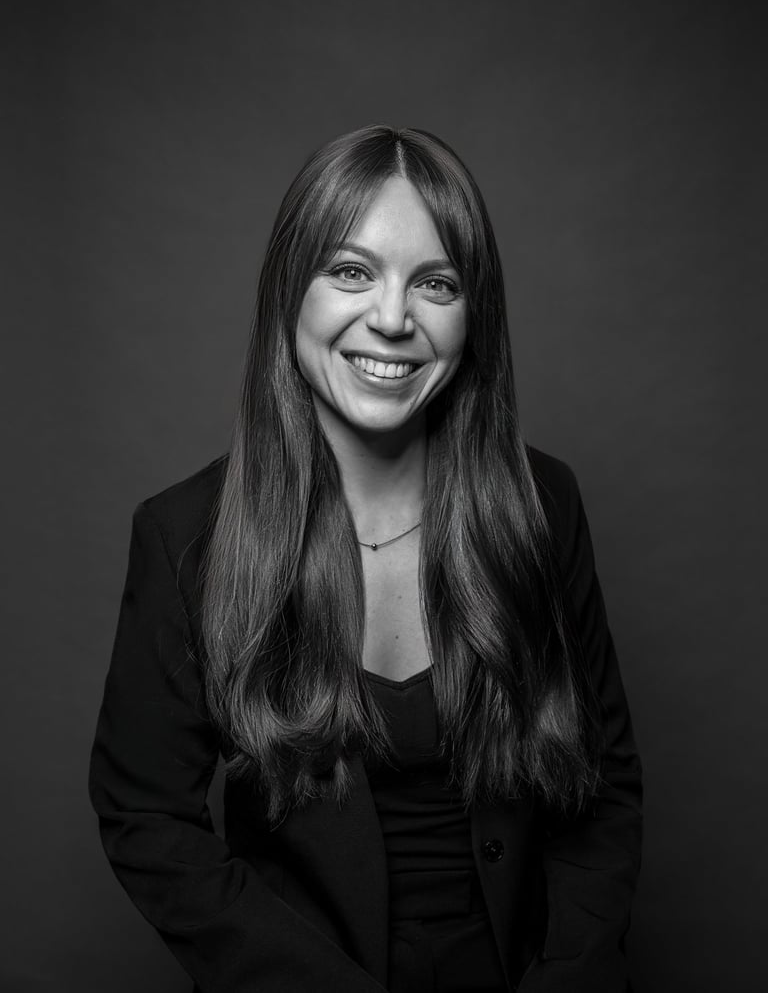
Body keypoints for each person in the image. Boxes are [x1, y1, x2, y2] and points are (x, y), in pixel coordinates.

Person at [89, 125, 642, 993]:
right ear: (289, 293)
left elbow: (602, 790)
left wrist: (568, 977)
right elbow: (146, 819)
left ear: (474, 315)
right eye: (350, 271)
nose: (392, 317)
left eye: (436, 283)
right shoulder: (184, 533)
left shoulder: (543, 503)